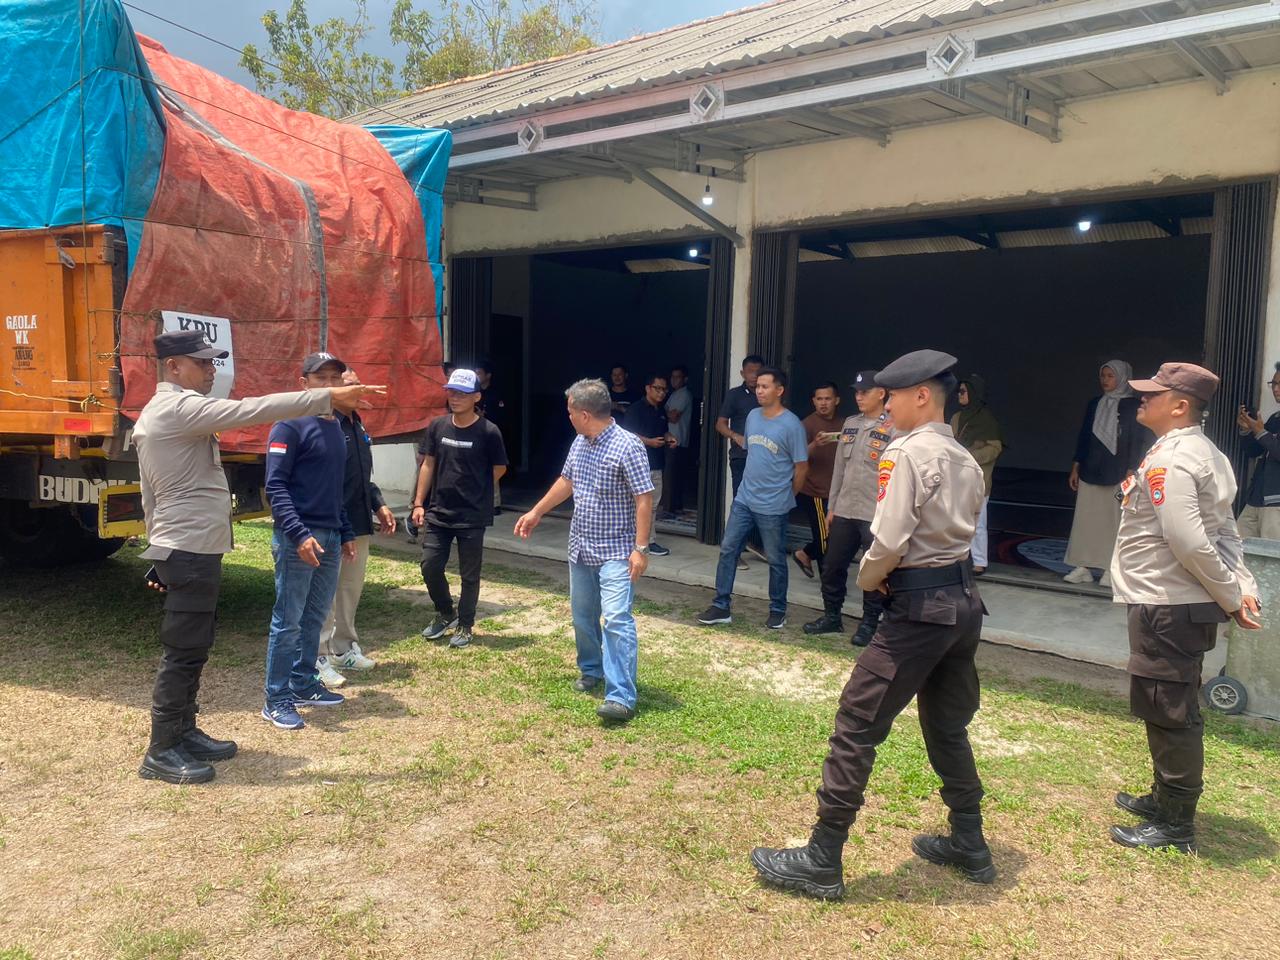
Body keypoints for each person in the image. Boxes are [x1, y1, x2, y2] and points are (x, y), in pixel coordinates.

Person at [751, 350, 990, 901]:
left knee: (857, 722)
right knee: (947, 724)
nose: (886, 406)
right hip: (962, 602)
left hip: (918, 605)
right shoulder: (963, 457)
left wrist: (869, 580)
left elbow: (889, 539)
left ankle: (823, 856)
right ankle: (969, 839)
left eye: (894, 397)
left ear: (921, 396)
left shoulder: (907, 453)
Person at [133, 331, 379, 784]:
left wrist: (156, 548)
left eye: (212, 363)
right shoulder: (177, 407)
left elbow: (151, 491)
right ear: (173, 367)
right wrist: (328, 394)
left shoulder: (169, 413)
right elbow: (252, 409)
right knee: (183, 651)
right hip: (188, 547)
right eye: (202, 363)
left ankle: (184, 731)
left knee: (195, 647)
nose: (211, 371)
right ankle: (162, 748)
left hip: (187, 547)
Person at [1109, 362, 1260, 853]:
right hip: (1174, 600)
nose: (1141, 400)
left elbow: (1191, 541)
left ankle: (1175, 823)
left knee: (1171, 708)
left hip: (1168, 601)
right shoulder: (1202, 452)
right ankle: (1163, 798)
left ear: (1179, 406)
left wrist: (1233, 594)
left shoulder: (1174, 459)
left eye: (1152, 395)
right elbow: (1225, 532)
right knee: (1167, 702)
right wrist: (1240, 582)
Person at [515, 379, 653, 723]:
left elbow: (644, 498)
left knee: (618, 620)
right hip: (582, 547)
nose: (569, 417)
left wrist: (640, 548)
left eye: (571, 412)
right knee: (582, 618)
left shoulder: (628, 446)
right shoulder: (581, 442)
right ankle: (591, 671)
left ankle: (621, 696)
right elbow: (568, 481)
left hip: (617, 551)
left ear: (585, 413)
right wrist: (536, 511)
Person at [262, 352, 364, 731]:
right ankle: (276, 699)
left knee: (315, 617)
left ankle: (304, 683)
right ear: (303, 383)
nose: (329, 383)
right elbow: (276, 486)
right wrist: (299, 534)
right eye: (320, 377)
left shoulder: (336, 426)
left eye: (335, 377)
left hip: (330, 537)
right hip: (298, 538)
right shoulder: (289, 425)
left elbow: (334, 490)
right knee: (287, 622)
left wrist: (346, 531)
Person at [696, 367, 808, 630]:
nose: (759, 390)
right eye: (757, 386)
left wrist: (789, 495)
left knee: (776, 559)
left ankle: (778, 610)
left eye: (765, 386)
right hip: (745, 499)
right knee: (728, 550)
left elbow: (801, 467)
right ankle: (721, 606)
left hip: (773, 504)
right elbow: (752, 453)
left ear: (779, 390)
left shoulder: (792, 424)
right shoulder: (753, 416)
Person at [412, 369, 509, 649]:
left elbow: (500, 467)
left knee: (469, 574)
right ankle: (445, 613)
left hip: (472, 514)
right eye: (451, 392)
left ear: (477, 397)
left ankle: (466, 624)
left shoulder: (489, 431)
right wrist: (419, 502)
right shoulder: (438, 426)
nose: (455, 398)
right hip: (439, 511)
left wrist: (478, 488)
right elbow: (428, 464)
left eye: (462, 394)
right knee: (430, 566)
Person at [316, 367, 397, 689]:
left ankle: (343, 648)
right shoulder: (325, 423)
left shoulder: (357, 424)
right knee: (324, 594)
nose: (357, 391)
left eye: (358, 386)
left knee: (349, 589)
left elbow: (362, 478)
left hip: (359, 520)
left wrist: (379, 503)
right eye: (350, 386)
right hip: (330, 522)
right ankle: (317, 656)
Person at [803, 371, 893, 647]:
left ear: (881, 393)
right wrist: (832, 505)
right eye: (857, 392)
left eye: (865, 392)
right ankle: (832, 616)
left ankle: (869, 623)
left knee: (872, 572)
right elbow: (839, 470)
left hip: (873, 512)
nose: (859, 396)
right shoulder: (851, 424)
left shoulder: (894, 428)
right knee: (831, 565)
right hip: (844, 510)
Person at [1064, 360, 1149, 587]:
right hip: (1091, 468)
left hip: (1119, 470)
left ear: (1121, 378)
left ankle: (1111, 569)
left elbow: (1137, 440)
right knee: (1086, 519)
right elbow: (1085, 435)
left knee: (1113, 522)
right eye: (1103, 376)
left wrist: (1132, 469)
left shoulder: (1133, 405)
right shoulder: (1095, 403)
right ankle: (1082, 566)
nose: (1105, 380)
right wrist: (1076, 464)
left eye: (1110, 376)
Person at [716, 354, 765, 565]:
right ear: (742, 373)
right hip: (740, 457)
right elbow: (720, 424)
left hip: (763, 458)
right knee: (740, 503)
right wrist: (735, 436)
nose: (754, 376)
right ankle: (732, 552)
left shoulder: (766, 395)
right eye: (750, 372)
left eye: (758, 371)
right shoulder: (735, 395)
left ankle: (753, 543)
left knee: (761, 503)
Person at [951, 374, 1002, 574]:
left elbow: (994, 448)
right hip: (956, 477)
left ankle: (979, 562)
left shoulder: (987, 420)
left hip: (979, 479)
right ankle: (956, 558)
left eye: (963, 391)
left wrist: (970, 456)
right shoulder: (956, 418)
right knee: (954, 521)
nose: (959, 395)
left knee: (978, 523)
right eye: (959, 391)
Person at [792, 382, 842, 579]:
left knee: (838, 537)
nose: (823, 403)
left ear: (836, 400)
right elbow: (795, 457)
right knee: (825, 540)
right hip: (814, 491)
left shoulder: (845, 424)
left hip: (837, 491)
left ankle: (804, 554)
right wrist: (814, 444)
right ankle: (830, 584)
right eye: (819, 399)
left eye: (827, 399)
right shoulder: (805, 425)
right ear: (813, 401)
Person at [623, 373, 676, 556]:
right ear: (648, 388)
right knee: (635, 504)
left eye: (664, 390)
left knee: (653, 505)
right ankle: (635, 541)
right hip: (637, 466)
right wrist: (649, 442)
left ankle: (648, 540)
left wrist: (669, 438)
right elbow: (627, 435)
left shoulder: (660, 410)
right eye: (658, 389)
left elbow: (664, 431)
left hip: (656, 463)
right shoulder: (635, 409)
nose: (661, 393)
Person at [1236, 362, 1280, 539]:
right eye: (1274, 383)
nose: (1276, 388)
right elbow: (1254, 451)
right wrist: (1248, 429)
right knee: (1239, 549)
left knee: (1272, 561)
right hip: (1257, 498)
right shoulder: (1275, 418)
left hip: (1276, 504)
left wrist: (1260, 431)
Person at [475, 359, 507, 515]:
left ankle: (495, 504)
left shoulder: (496, 393)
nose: (477, 375)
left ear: (488, 375)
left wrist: (485, 416)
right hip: (475, 433)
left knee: (493, 466)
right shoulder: (475, 393)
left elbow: (502, 415)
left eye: (479, 372)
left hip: (491, 433)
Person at [663, 365, 694, 515]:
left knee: (671, 477)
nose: (674, 380)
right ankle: (674, 507)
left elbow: (674, 417)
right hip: (673, 440)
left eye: (678, 377)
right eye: (672, 377)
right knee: (673, 476)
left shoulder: (683, 394)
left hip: (676, 441)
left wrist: (661, 412)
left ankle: (669, 509)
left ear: (685, 379)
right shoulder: (673, 394)